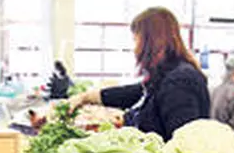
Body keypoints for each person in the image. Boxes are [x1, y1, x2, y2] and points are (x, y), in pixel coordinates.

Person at [68, 7, 210, 141]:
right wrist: (85, 97)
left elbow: (180, 142)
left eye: (136, 39)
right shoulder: (167, 74)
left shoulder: (180, 82)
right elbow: (134, 92)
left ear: (150, 41)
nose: (135, 48)